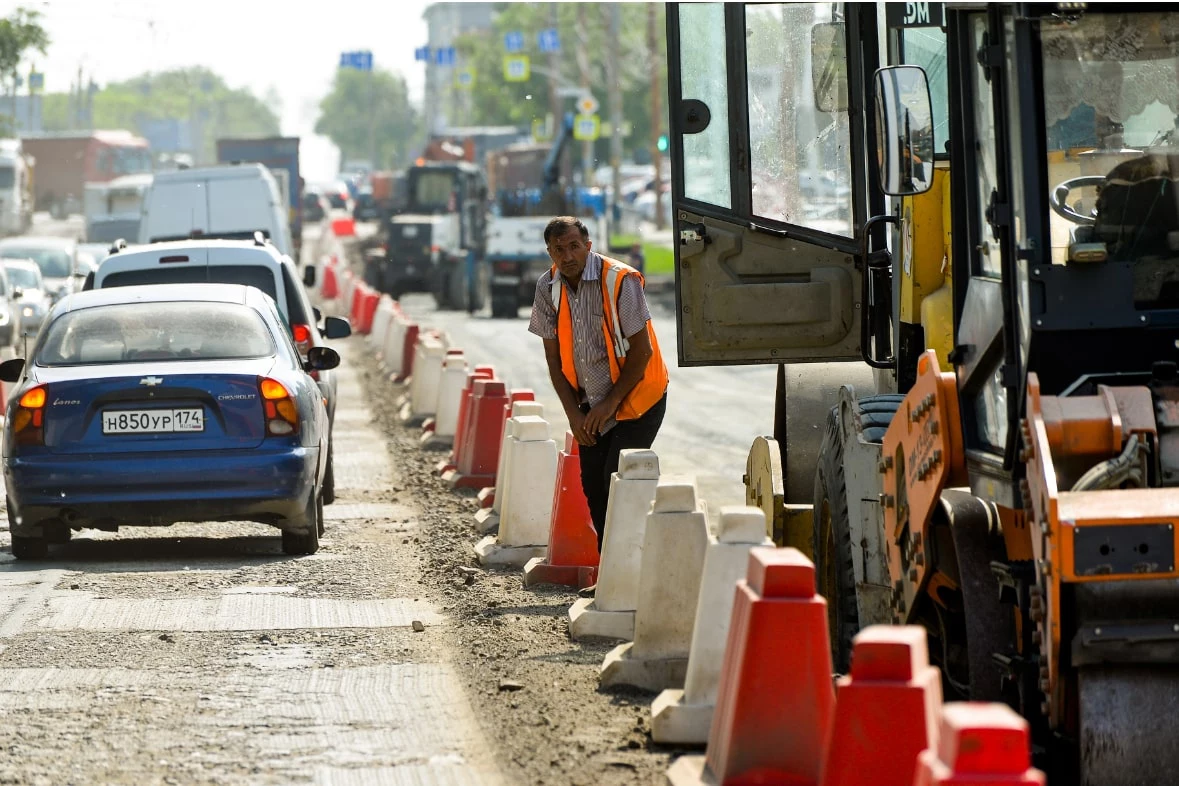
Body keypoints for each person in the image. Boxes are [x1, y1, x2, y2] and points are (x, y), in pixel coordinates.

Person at [528, 216, 669, 590]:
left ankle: (635, 578)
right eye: (559, 249)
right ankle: (612, 576)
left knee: (617, 482)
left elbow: (642, 352)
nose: (567, 256)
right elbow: (554, 362)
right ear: (549, 252)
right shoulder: (547, 287)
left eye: (574, 246)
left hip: (639, 399)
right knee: (593, 484)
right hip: (592, 406)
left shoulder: (620, 281)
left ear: (588, 246)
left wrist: (608, 406)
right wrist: (574, 416)